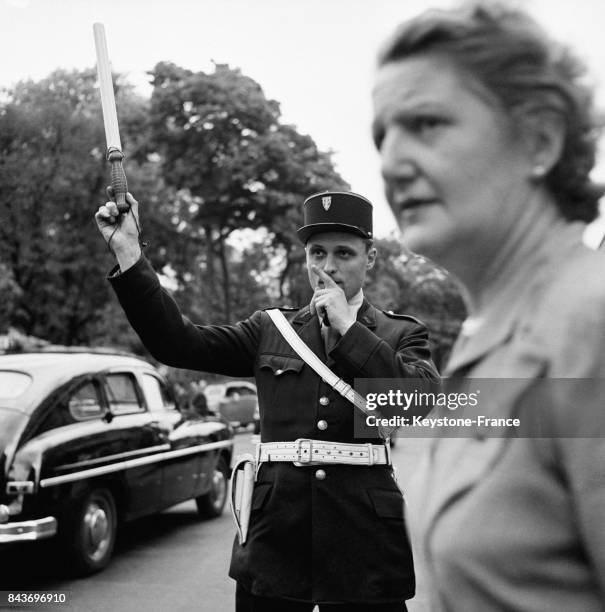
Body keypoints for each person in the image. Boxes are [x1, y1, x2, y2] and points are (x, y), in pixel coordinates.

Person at [95, 189, 439, 611]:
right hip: (277, 536)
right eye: (317, 253)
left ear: (369, 257)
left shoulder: (399, 334)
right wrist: (130, 253)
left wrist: (351, 332)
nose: (328, 267)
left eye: (344, 254)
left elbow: (417, 402)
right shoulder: (271, 329)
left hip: (363, 542)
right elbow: (178, 344)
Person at [372, 2, 605, 611]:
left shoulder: (592, 323)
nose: (390, 163)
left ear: (539, 139)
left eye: (426, 123)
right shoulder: (490, 332)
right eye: (381, 134)